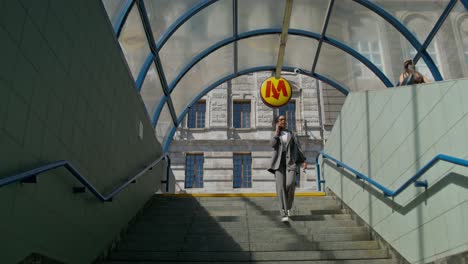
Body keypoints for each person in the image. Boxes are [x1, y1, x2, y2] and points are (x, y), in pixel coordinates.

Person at [268, 115, 307, 222]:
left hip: (291, 162)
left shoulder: (292, 133)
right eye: (281, 120)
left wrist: (304, 160)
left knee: (290, 184)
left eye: (284, 119)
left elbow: (298, 147)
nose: (283, 121)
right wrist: (276, 131)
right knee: (280, 188)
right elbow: (272, 144)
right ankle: (284, 213)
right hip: (279, 163)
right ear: (277, 122)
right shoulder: (275, 134)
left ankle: (288, 206)